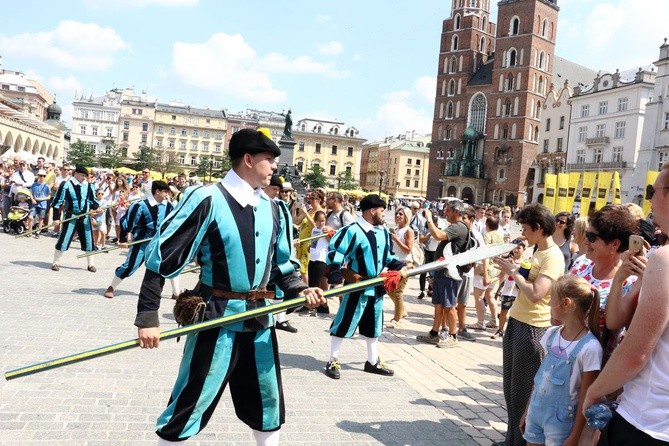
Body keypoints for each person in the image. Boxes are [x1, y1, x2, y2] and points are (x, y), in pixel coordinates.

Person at [134, 128, 325, 445]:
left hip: (260, 322)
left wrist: (300, 291)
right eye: (269, 159)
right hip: (216, 319)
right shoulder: (207, 199)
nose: (275, 166)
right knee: (189, 404)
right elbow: (160, 258)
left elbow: (283, 267)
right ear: (248, 159)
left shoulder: (274, 209)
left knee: (268, 406)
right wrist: (148, 317)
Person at [583, 171, 669, 445]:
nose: (650, 200)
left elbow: (636, 352)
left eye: (652, 191)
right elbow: (615, 320)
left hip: (646, 419)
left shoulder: (664, 260)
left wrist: (595, 391)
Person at [493, 203, 565, 446]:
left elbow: (537, 293)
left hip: (534, 327)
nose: (523, 233)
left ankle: (521, 442)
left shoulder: (553, 256)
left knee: (523, 393)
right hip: (517, 321)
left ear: (538, 228)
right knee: (511, 390)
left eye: (525, 228)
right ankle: (511, 439)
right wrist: (512, 268)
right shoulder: (538, 251)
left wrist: (514, 272)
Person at [324, 194, 407, 379]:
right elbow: (336, 252)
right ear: (372, 211)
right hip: (358, 284)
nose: (384, 214)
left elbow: (388, 257)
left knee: (374, 323)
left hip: (376, 285)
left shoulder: (383, 232)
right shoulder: (352, 231)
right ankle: (332, 359)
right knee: (345, 321)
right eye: (382, 211)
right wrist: (336, 273)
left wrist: (400, 266)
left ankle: (372, 361)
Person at [521, 275, 603, 446]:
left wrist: (575, 436)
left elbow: (585, 397)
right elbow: (540, 378)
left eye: (552, 299)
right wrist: (527, 410)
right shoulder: (552, 334)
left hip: (561, 422)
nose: (549, 304)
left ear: (566, 303)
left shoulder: (590, 347)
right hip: (536, 411)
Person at [569, 204, 638, 363]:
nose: (585, 241)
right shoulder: (581, 264)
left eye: (592, 237)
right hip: (563, 354)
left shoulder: (630, 282)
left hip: (595, 366)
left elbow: (614, 324)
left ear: (615, 244)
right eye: (587, 234)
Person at [104, 181, 176, 299]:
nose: (167, 194)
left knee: (169, 264)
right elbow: (126, 222)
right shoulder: (140, 205)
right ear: (157, 191)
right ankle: (112, 287)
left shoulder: (169, 206)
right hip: (142, 241)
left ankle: (176, 292)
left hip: (160, 242)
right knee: (130, 266)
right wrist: (122, 239)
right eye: (165, 192)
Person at [417, 201, 470, 348]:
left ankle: (453, 336)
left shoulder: (458, 227)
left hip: (450, 273)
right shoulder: (456, 226)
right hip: (443, 272)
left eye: (448, 211)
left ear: (457, 212)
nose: (445, 213)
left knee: (449, 305)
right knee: (439, 304)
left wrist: (428, 218)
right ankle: (434, 333)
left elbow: (438, 235)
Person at [264, 174, 298, 334]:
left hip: (279, 257)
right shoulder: (273, 205)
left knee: (278, 289)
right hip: (270, 257)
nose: (280, 194)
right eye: (277, 190)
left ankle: (279, 319)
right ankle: (275, 318)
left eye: (284, 192)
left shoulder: (283, 206)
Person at [51, 165, 99, 272]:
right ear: (76, 173)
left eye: (85, 176)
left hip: (85, 216)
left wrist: (97, 208)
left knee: (88, 240)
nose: (84, 178)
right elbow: (57, 202)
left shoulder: (88, 186)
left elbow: (92, 201)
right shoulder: (66, 184)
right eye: (82, 175)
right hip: (70, 216)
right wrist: (56, 218)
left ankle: (90, 264)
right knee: (64, 238)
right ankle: (56, 262)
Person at [467, 216, 503, 331]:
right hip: (495, 270)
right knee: (490, 296)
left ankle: (480, 322)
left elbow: (485, 255)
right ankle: (494, 320)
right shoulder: (500, 236)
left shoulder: (486, 236)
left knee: (479, 297)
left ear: (486, 225)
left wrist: (485, 272)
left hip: (485, 269)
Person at [491, 238, 526, 339]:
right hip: (507, 291)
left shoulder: (526, 263)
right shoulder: (508, 261)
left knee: (517, 314)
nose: (516, 250)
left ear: (524, 249)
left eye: (519, 248)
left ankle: (514, 333)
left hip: (518, 292)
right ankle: (500, 330)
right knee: (503, 312)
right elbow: (500, 273)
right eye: (514, 248)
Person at [387, 206, 414, 327]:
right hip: (394, 262)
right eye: (397, 213)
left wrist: (397, 240)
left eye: (401, 214)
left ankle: (396, 319)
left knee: (398, 292)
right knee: (389, 288)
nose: (398, 216)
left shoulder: (408, 230)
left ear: (406, 217)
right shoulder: (397, 229)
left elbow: (408, 249)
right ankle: (402, 310)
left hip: (404, 264)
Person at [27, 169, 51, 238]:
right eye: (40, 175)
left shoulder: (46, 186)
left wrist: (41, 199)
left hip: (43, 204)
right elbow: (30, 193)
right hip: (35, 203)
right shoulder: (34, 184)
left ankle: (38, 231)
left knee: (41, 218)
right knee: (30, 217)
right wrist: (32, 199)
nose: (42, 177)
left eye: (43, 176)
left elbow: (49, 196)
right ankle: (30, 231)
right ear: (38, 176)